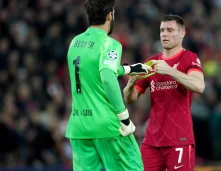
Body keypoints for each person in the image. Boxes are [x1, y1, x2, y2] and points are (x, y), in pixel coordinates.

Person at [65, 0, 151, 170]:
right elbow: (106, 76)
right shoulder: (110, 44)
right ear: (109, 15)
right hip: (108, 127)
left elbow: (92, 69)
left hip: (79, 127)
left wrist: (129, 69)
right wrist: (124, 117)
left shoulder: (75, 42)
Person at [123, 14, 205, 171]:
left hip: (179, 138)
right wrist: (131, 84)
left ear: (182, 33)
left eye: (170, 30)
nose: (164, 34)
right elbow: (130, 98)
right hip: (152, 140)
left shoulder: (189, 58)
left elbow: (199, 86)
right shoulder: (152, 62)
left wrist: (169, 71)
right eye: (162, 30)